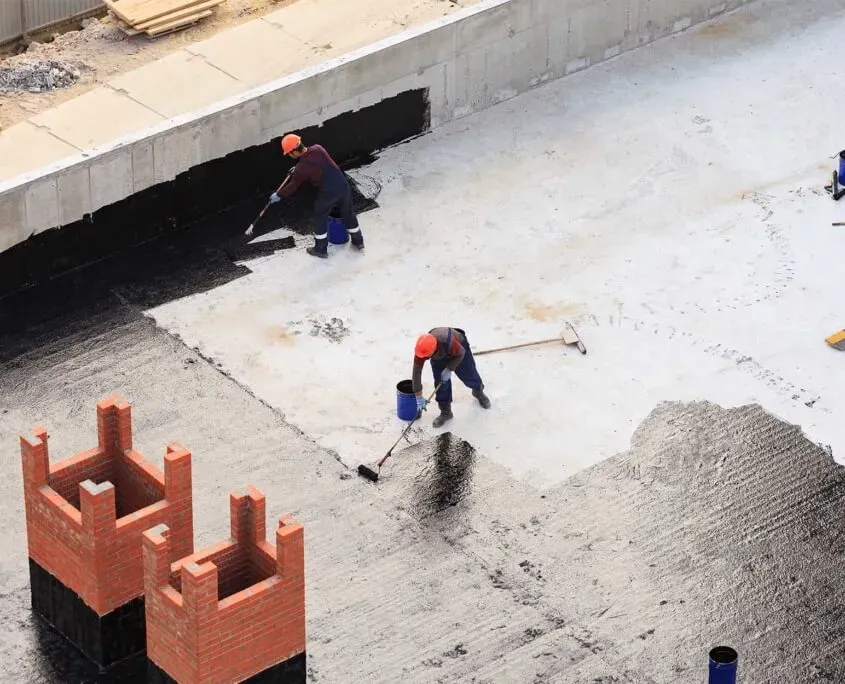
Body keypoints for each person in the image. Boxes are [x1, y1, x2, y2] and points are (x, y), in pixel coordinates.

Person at [268, 133, 364, 258]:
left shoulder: (301, 169)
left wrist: (279, 195)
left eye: (289, 154)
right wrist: (297, 167)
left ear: (293, 152)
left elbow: (293, 186)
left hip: (328, 193)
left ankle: (320, 249)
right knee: (348, 213)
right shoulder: (318, 148)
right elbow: (313, 162)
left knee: (320, 217)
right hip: (343, 186)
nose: (290, 156)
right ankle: (359, 241)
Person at [412, 327, 491, 428]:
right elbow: (416, 373)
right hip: (439, 355)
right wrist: (418, 397)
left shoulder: (447, 341)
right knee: (441, 383)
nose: (424, 358)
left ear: (434, 348)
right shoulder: (422, 350)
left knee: (469, 374)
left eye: (427, 356)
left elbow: (461, 353)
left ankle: (478, 391)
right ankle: (446, 412)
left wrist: (449, 368)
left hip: (459, 350)